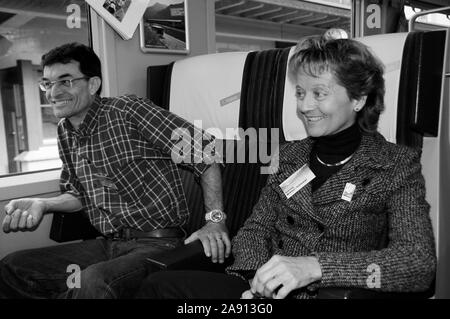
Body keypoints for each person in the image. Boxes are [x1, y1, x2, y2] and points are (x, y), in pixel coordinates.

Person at [135, 36, 436, 299]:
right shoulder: (290, 155)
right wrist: (255, 281)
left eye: (319, 93)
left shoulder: (395, 164)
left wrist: (316, 267)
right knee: (158, 286)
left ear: (358, 99)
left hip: (331, 293)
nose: (304, 107)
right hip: (261, 292)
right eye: (301, 93)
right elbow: (256, 228)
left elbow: (417, 265)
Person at [0, 43, 230, 298]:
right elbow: (79, 196)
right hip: (109, 243)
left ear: (93, 84)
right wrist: (43, 204)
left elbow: (204, 149)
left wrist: (215, 221)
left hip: (157, 243)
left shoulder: (128, 111)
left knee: (92, 283)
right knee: (13, 267)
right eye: (47, 83)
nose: (53, 93)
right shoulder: (65, 131)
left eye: (65, 81)